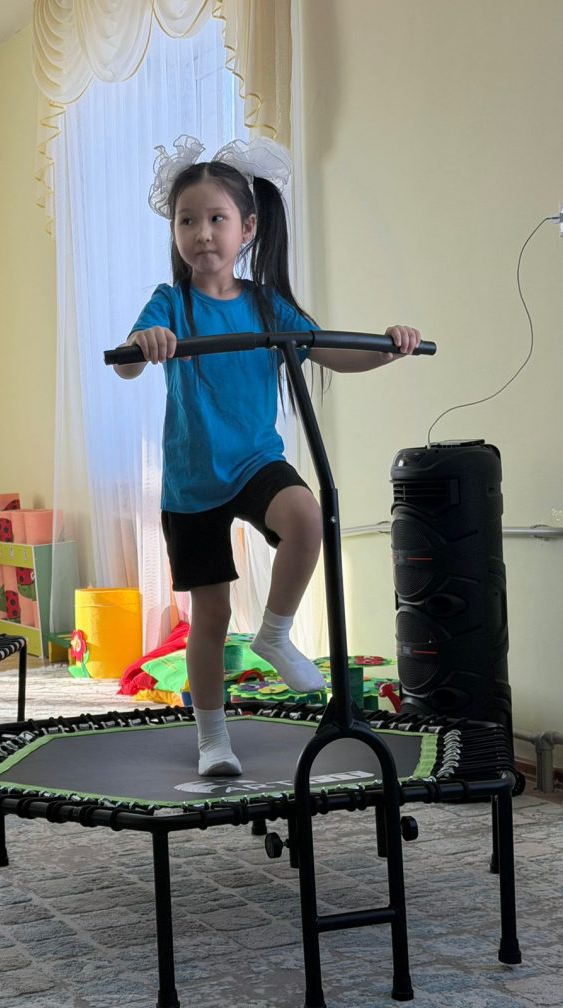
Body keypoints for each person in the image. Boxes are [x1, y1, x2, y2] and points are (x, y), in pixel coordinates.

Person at [113, 136, 421, 776]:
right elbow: (127, 364)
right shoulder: (171, 303)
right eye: (187, 221)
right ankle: (212, 738)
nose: (202, 233)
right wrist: (147, 341)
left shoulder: (264, 305)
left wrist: (388, 348)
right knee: (211, 615)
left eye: (216, 219)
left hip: (255, 460)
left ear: (247, 228)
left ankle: (275, 633)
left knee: (308, 516)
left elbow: (327, 351)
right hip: (193, 480)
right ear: (174, 231)